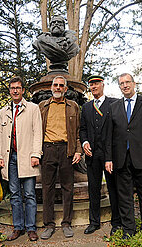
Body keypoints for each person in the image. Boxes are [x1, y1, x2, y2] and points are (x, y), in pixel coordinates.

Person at [105, 73, 142, 239]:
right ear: (119, 87)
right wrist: (108, 158)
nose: (125, 85)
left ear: (134, 83)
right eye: (121, 83)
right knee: (124, 196)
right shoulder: (114, 106)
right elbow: (109, 135)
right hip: (120, 158)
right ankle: (129, 230)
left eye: (127, 82)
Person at [0, 76, 42, 241]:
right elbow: (0, 136)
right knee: (14, 194)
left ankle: (31, 228)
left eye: (18, 88)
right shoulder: (3, 111)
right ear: (10, 90)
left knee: (29, 194)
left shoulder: (32, 108)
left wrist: (36, 154)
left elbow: (38, 133)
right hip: (9, 158)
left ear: (23, 90)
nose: (15, 90)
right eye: (12, 88)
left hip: (27, 157)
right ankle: (18, 227)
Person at [39, 75, 82, 239]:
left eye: (61, 85)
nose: (57, 88)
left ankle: (66, 223)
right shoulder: (43, 106)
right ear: (51, 87)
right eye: (55, 85)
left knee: (68, 188)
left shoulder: (73, 106)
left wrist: (78, 150)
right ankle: (49, 224)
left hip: (66, 150)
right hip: (48, 149)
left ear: (65, 88)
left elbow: (78, 131)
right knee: (47, 188)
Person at [80, 75, 121, 236]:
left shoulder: (114, 103)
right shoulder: (87, 107)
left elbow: (118, 128)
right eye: (91, 84)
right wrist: (84, 143)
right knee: (94, 189)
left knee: (113, 188)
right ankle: (94, 222)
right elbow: (82, 129)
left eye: (96, 83)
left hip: (110, 154)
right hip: (92, 156)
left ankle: (116, 222)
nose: (94, 86)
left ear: (103, 85)